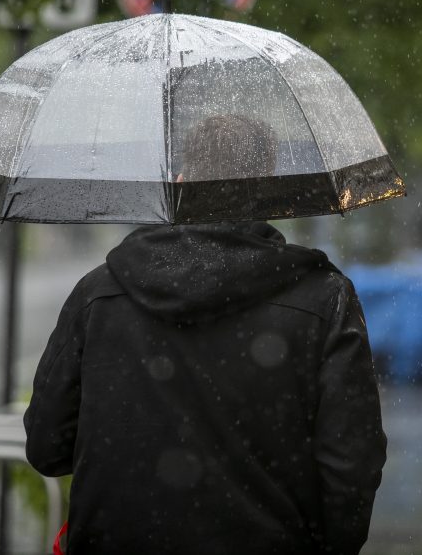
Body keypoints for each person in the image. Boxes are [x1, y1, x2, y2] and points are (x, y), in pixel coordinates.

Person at [24, 114, 387, 554]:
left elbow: (47, 447)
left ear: (179, 184)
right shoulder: (325, 301)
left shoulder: (98, 294)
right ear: (270, 191)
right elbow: (351, 466)